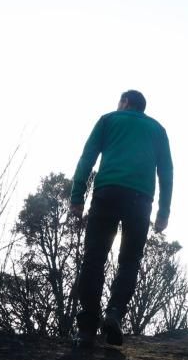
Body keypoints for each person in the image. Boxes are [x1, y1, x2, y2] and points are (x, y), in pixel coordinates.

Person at [69, 90, 173, 347]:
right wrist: (163, 212)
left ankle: (88, 325)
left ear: (125, 102)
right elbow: (167, 172)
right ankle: (114, 313)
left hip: (107, 192)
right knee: (129, 260)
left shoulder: (108, 120)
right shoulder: (158, 130)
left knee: (94, 257)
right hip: (141, 200)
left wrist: (77, 195)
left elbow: (87, 157)